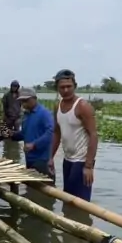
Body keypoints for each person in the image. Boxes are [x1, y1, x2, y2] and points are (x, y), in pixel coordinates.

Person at [49, 69, 98, 201]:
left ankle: (81, 221)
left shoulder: (83, 106)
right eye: (62, 87)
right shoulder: (57, 106)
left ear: (75, 86)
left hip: (81, 162)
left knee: (81, 201)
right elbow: (57, 133)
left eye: (69, 86)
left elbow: (93, 135)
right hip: (68, 160)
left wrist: (89, 166)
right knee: (68, 198)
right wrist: (50, 157)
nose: (65, 90)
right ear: (57, 88)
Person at [7, 87, 54, 177]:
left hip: (42, 159)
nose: (24, 103)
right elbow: (24, 133)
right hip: (29, 158)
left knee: (45, 187)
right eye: (22, 101)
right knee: (32, 187)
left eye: (26, 100)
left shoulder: (44, 113)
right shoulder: (26, 115)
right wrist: (13, 135)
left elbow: (50, 133)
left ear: (34, 98)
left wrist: (34, 144)